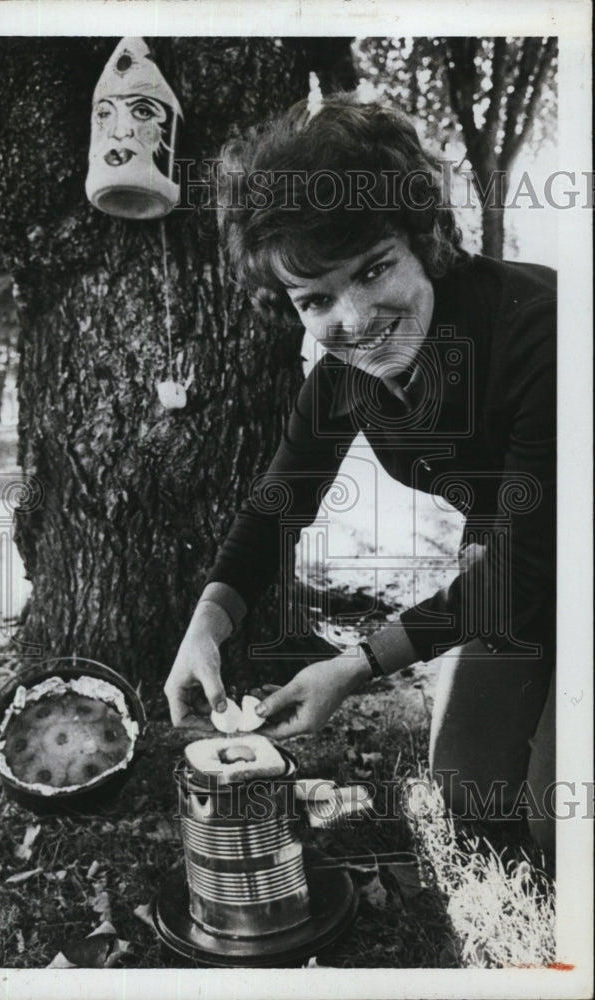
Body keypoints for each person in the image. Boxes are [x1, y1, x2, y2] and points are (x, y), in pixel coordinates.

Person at [163, 96, 556, 856]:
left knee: (557, 817)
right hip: (521, 560)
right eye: (316, 299)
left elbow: (524, 566)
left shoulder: (539, 331)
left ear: (425, 239)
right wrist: (205, 627)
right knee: (470, 789)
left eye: (374, 269)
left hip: (554, 552)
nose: (356, 317)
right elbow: (276, 508)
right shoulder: (343, 376)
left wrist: (357, 666)